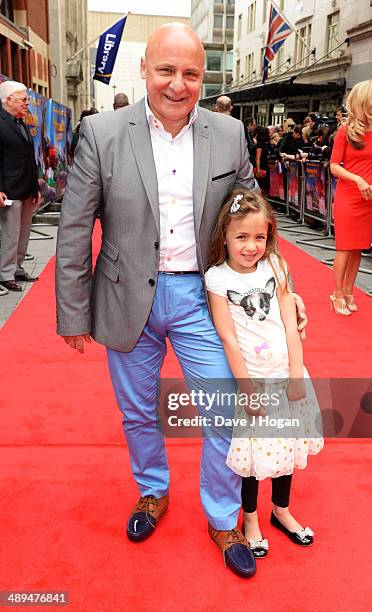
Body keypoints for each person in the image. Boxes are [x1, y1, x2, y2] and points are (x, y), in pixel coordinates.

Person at [56, 23, 306, 579]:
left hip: (203, 296)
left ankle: (222, 517)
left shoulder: (229, 132)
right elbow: (74, 228)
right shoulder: (101, 132)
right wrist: (72, 311)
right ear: (144, 69)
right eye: (166, 71)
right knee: (137, 410)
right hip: (124, 296)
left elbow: (250, 212)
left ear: (202, 77)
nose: (178, 84)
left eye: (190, 73)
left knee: (223, 408)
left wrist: (275, 280)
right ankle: (152, 491)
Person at [205, 189, 323, 558]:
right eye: (241, 237)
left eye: (260, 237)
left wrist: (295, 374)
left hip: (287, 374)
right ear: (224, 235)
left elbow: (290, 324)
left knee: (286, 447)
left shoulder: (276, 265)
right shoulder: (217, 278)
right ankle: (251, 517)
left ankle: (281, 511)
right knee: (255, 457)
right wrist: (247, 388)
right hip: (253, 381)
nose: (251, 246)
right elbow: (228, 338)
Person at [330, 79, 372, 315]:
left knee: (358, 248)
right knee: (344, 247)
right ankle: (336, 294)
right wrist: (357, 179)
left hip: (371, 196)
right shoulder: (345, 130)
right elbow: (334, 166)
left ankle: (348, 291)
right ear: (366, 99)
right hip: (348, 195)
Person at [0, 80, 41, 293]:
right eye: (23, 99)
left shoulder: (20, 122)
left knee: (24, 232)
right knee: (10, 233)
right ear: (9, 100)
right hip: (10, 190)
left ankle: (17, 267)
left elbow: (28, 159)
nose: (27, 103)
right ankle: (5, 273)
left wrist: (35, 189)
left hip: (26, 189)